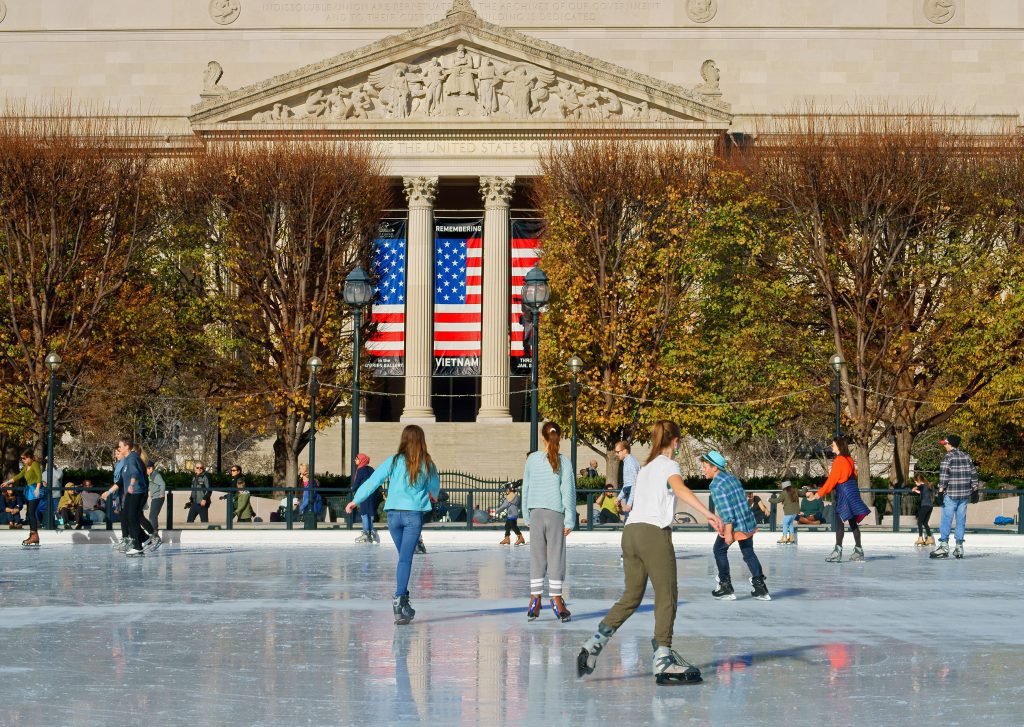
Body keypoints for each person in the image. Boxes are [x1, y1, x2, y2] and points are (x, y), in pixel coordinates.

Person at [577, 420, 723, 685]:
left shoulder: (645, 468)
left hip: (630, 533)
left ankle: (595, 642)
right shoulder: (669, 465)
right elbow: (679, 488)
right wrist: (708, 514)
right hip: (653, 533)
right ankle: (663, 658)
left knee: (632, 595)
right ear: (675, 442)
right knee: (667, 594)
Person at [346, 425, 440, 625]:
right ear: (422, 440)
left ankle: (403, 602)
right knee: (405, 560)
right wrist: (433, 496)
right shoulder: (427, 463)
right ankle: (399, 602)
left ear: (404, 440)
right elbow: (435, 489)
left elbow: (372, 482)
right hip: (413, 516)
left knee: (402, 559)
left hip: (393, 517)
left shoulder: (394, 461)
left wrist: (355, 500)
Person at [522, 421, 576, 622]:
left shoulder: (532, 460)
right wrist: (570, 519)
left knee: (537, 557)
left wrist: (526, 515)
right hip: (555, 514)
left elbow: (525, 488)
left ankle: (535, 600)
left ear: (542, 438)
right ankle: (556, 599)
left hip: (535, 513)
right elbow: (567, 491)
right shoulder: (564, 461)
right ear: (558, 437)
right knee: (556, 557)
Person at [704, 451, 771, 601]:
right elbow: (741, 500)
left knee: (719, 550)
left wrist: (728, 532)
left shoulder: (716, 484)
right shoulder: (731, 478)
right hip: (747, 521)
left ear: (714, 468)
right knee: (748, 552)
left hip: (734, 524)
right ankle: (760, 588)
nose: (704, 470)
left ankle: (725, 586)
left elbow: (727, 511)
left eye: (705, 466)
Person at [818, 436, 870, 563]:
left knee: (839, 521)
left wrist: (820, 493)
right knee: (852, 522)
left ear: (839, 446)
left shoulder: (839, 460)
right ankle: (859, 550)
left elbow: (833, 479)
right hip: (852, 491)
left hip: (844, 493)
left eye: (833, 445)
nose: (832, 447)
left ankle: (837, 551)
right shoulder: (849, 459)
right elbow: (854, 475)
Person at [930, 434, 979, 560]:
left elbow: (944, 476)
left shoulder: (948, 457)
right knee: (961, 520)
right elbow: (973, 474)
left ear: (951, 444)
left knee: (946, 519)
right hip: (964, 495)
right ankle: (959, 547)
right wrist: (975, 491)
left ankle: (944, 545)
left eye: (945, 444)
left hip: (951, 494)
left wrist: (940, 492)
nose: (944, 446)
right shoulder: (967, 456)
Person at [101, 437, 148, 556]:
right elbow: (121, 480)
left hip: (136, 492)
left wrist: (131, 484)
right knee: (127, 517)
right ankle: (143, 539)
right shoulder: (127, 459)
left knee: (132, 518)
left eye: (120, 446)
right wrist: (109, 492)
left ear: (127, 447)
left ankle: (139, 545)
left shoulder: (132, 458)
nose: (119, 448)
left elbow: (135, 473)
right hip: (131, 493)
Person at [2, 450, 43, 546]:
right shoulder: (26, 466)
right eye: (22, 459)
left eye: (24, 458)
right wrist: (7, 482)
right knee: (29, 513)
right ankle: (33, 535)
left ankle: (34, 536)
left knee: (31, 513)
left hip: (35, 491)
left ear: (29, 457)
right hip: (30, 491)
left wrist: (37, 488)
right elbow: (19, 475)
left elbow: (39, 477)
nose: (23, 460)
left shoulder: (34, 464)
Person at [352, 454, 379, 544]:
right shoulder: (371, 469)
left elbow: (356, 483)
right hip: (372, 493)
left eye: (356, 459)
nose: (355, 460)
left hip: (364, 494)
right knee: (370, 513)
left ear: (361, 460)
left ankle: (366, 533)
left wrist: (352, 489)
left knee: (364, 513)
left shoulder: (360, 470)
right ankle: (372, 533)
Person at [614, 441, 641, 519]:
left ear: (625, 450)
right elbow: (626, 484)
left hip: (632, 498)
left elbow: (634, 484)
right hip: (629, 495)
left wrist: (629, 504)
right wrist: (619, 498)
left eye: (617, 452)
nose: (616, 454)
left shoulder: (631, 463)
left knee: (630, 524)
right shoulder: (626, 462)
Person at [911, 473, 936, 547]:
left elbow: (918, 487)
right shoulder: (928, 486)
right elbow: (922, 492)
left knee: (919, 522)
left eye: (915, 482)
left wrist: (914, 488)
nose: (915, 483)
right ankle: (929, 538)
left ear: (919, 480)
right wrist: (916, 490)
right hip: (930, 506)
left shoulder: (921, 486)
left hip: (924, 506)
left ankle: (920, 538)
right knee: (925, 523)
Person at [147, 462, 167, 534]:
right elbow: (152, 485)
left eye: (147, 469)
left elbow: (162, 483)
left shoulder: (155, 474)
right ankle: (154, 532)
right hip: (155, 497)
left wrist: (162, 493)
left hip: (158, 497)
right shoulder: (151, 475)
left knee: (152, 516)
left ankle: (154, 533)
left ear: (151, 468)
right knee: (152, 516)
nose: (146, 471)